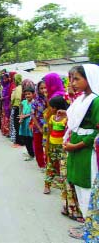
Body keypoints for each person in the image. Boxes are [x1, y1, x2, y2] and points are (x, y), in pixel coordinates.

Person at [64, 64, 99, 219]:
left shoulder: (96, 101)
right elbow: (78, 120)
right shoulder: (82, 99)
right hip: (76, 148)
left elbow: (97, 132)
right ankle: (87, 224)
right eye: (72, 79)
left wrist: (77, 145)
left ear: (89, 78)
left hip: (85, 149)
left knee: (88, 186)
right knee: (79, 185)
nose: (73, 83)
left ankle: (91, 227)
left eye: (77, 79)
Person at [31, 81, 47, 169]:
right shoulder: (35, 101)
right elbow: (33, 115)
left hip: (49, 126)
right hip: (38, 126)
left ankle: (48, 163)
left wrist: (47, 98)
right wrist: (39, 128)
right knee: (38, 146)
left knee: (48, 146)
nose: (44, 90)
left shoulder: (49, 99)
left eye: (45, 88)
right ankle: (41, 164)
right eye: (41, 88)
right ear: (38, 89)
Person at [19, 86, 35, 161]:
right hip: (24, 122)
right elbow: (21, 111)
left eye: (29, 94)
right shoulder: (24, 102)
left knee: (30, 138)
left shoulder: (34, 102)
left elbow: (33, 113)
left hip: (30, 122)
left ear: (33, 94)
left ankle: (32, 154)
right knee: (25, 138)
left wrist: (24, 116)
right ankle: (30, 153)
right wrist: (21, 118)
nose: (27, 96)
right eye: (26, 94)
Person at [10, 74, 23, 146]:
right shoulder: (23, 87)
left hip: (17, 107)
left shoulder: (16, 89)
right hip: (22, 108)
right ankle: (22, 141)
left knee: (16, 124)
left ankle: (18, 141)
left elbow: (13, 99)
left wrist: (11, 104)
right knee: (21, 124)